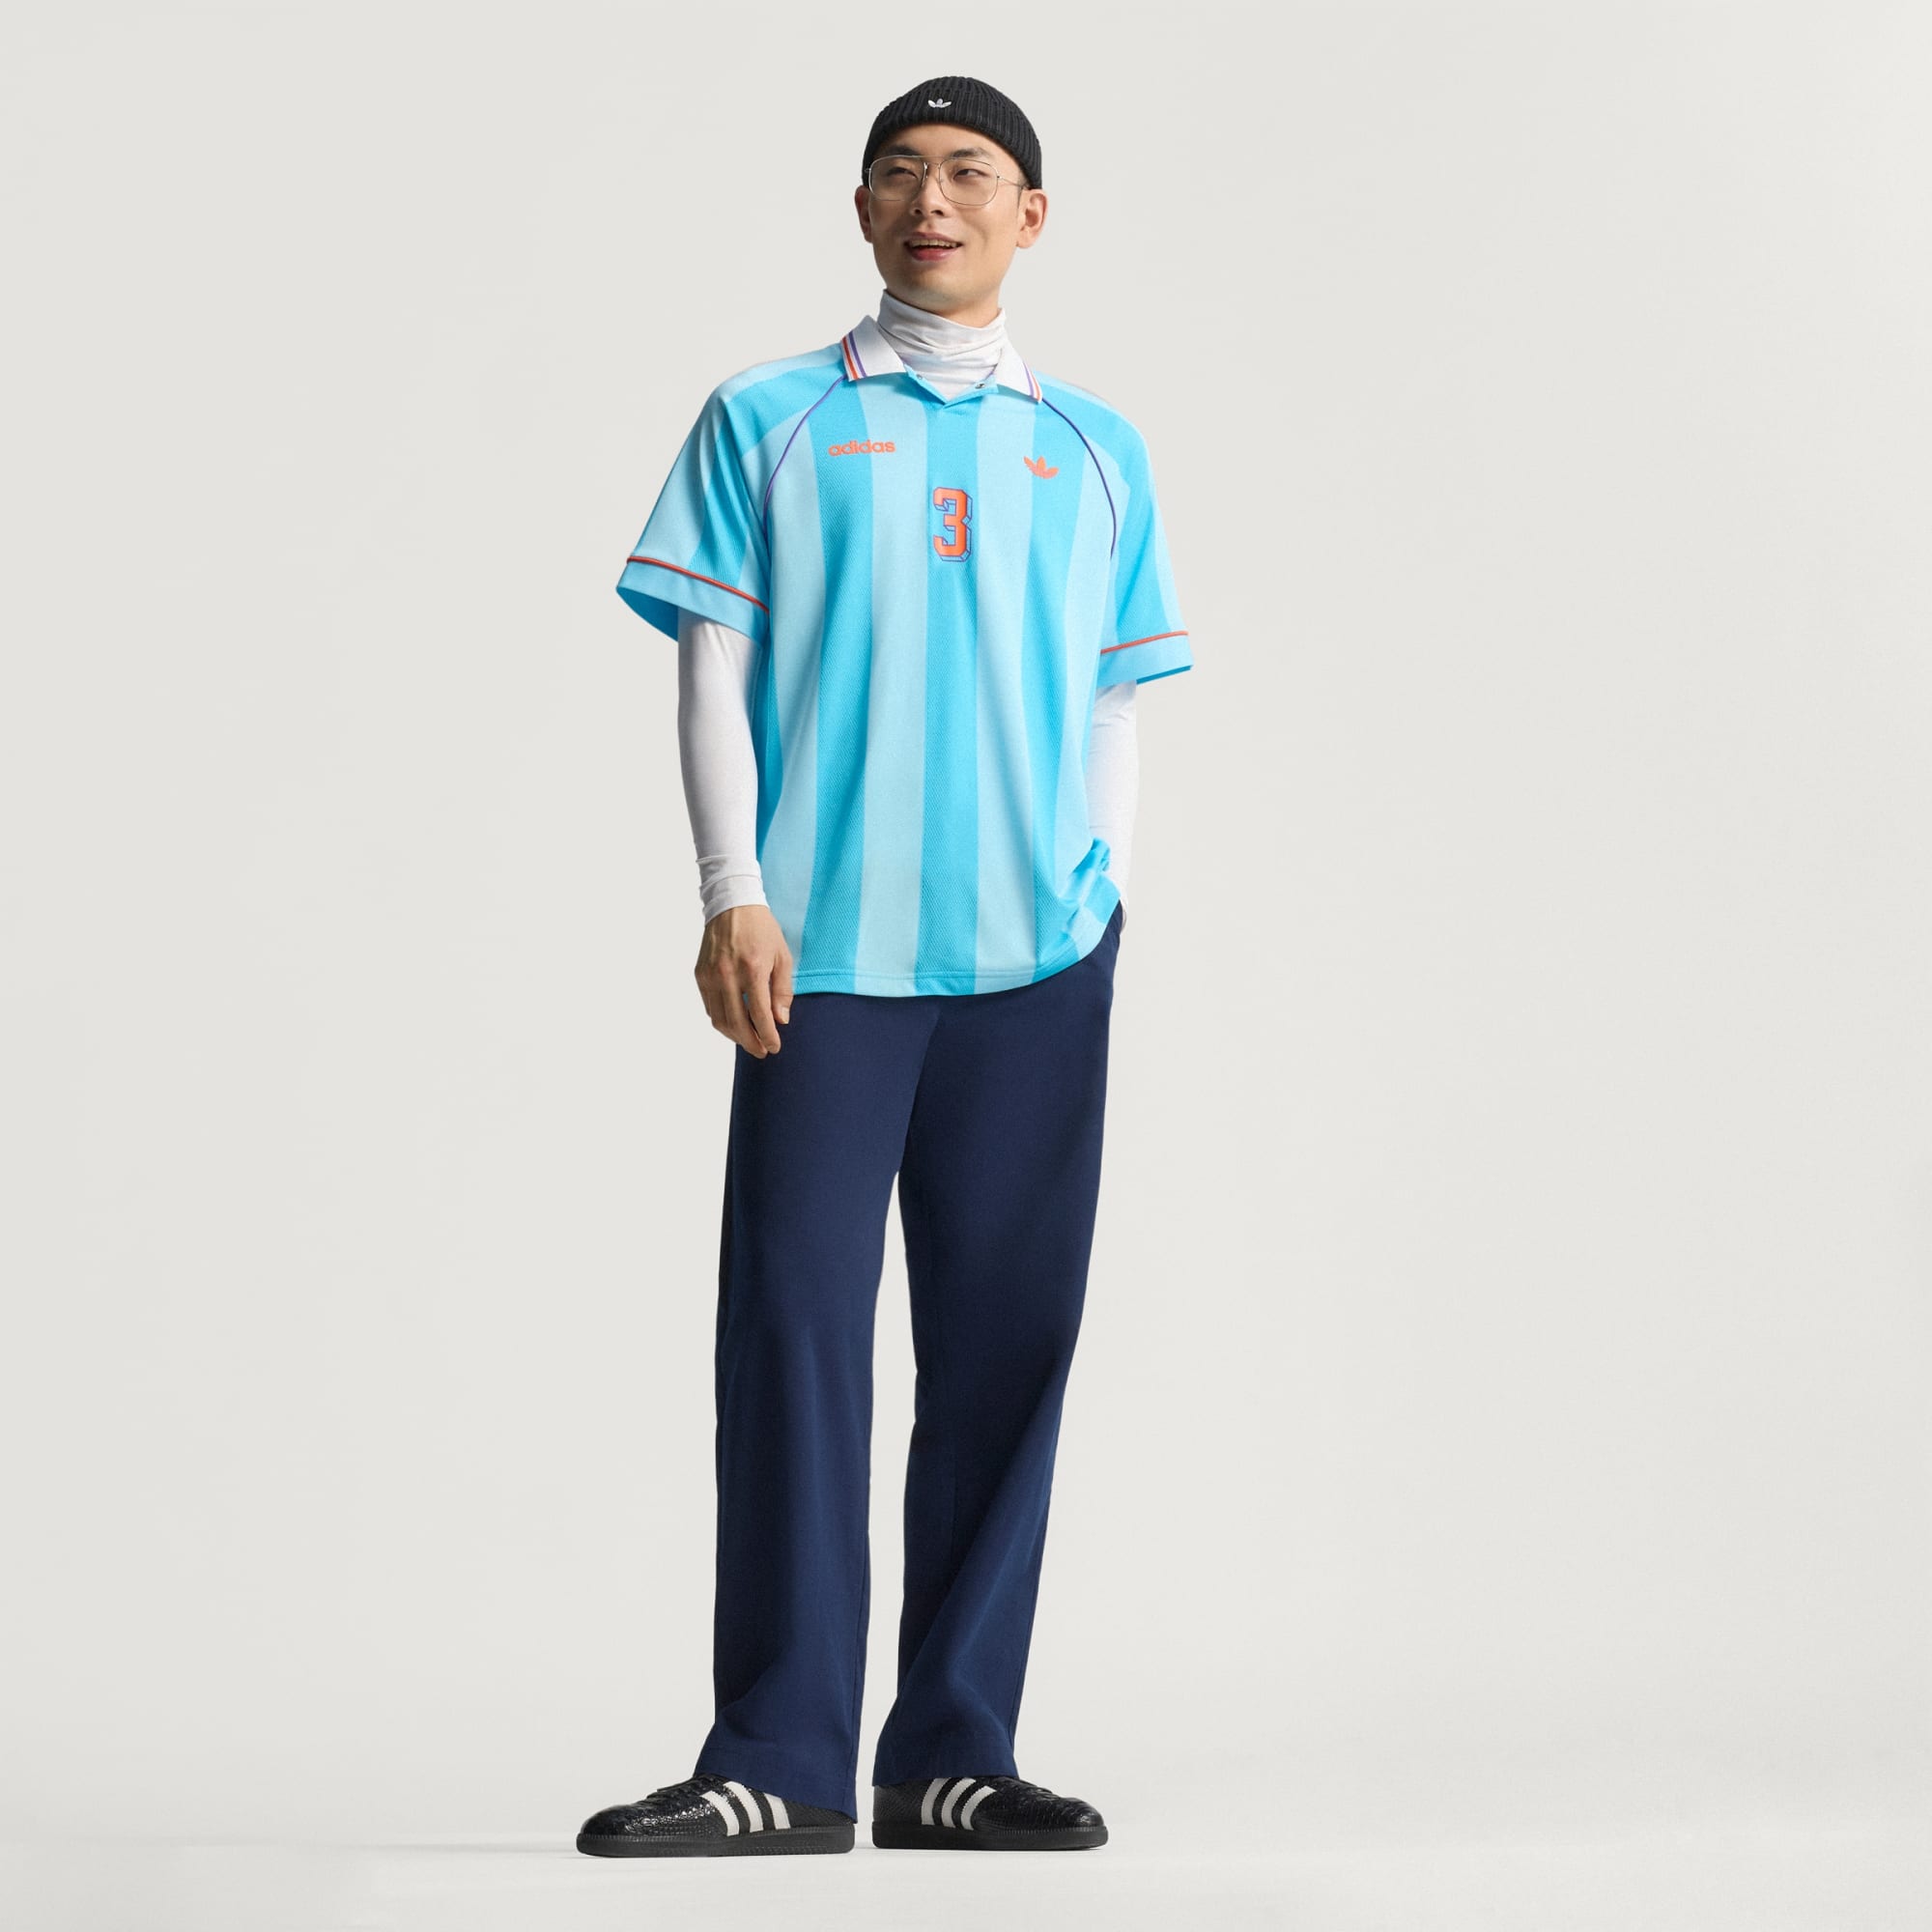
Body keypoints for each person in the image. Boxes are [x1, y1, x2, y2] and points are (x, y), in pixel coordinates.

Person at [578, 74, 1193, 1860]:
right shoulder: (766, 418)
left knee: (1009, 1346)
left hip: (1037, 963)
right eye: (902, 174)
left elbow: (1115, 698)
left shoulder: (1097, 447)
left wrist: (1100, 900)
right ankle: (777, 1756)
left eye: (971, 172)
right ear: (862, 210)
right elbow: (708, 658)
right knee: (793, 1331)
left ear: (1030, 215)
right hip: (825, 959)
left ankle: (951, 1755)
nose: (936, 199)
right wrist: (731, 888)